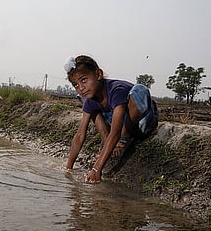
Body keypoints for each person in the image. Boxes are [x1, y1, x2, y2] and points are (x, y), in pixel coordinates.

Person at [64, 55, 158, 183]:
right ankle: (106, 141)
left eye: (84, 80)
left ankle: (123, 141)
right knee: (86, 100)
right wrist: (68, 168)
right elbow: (80, 134)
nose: (81, 87)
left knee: (139, 90)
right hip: (116, 123)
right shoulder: (90, 97)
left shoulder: (116, 90)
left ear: (98, 74)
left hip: (142, 122)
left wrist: (96, 169)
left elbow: (116, 133)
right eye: (76, 84)